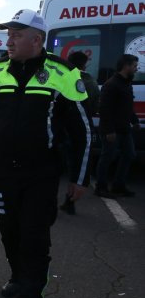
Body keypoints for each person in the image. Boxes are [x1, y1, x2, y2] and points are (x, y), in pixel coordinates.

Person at [0, 9, 91, 298]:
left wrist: (80, 177)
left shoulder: (62, 73)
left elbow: (82, 130)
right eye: (9, 34)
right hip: (2, 171)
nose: (9, 40)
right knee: (9, 230)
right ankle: (18, 276)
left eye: (17, 35)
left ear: (37, 39)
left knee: (34, 237)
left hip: (41, 173)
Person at [59, 51, 100, 214]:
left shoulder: (62, 78)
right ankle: (69, 200)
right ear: (85, 64)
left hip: (62, 130)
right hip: (81, 129)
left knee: (57, 167)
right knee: (76, 167)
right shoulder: (90, 82)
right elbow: (95, 107)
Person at [94, 54, 140, 198]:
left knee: (129, 154)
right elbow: (104, 109)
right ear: (126, 66)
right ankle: (100, 187)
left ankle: (118, 185)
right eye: (134, 65)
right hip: (112, 129)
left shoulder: (126, 83)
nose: (136, 68)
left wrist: (135, 121)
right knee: (108, 157)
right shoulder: (111, 84)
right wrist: (109, 130)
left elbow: (128, 106)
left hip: (124, 128)